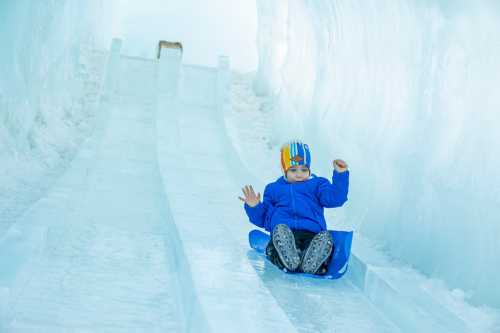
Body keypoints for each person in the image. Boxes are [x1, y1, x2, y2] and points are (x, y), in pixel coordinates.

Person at [239, 141, 349, 275]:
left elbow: (336, 198)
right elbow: (264, 219)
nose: (299, 174)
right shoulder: (274, 189)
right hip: (285, 235)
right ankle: (287, 260)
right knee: (276, 242)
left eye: (304, 169)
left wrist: (341, 174)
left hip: (311, 235)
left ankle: (313, 264)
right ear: (284, 170)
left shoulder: (317, 185)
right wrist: (254, 206)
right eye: (293, 170)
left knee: (323, 241)